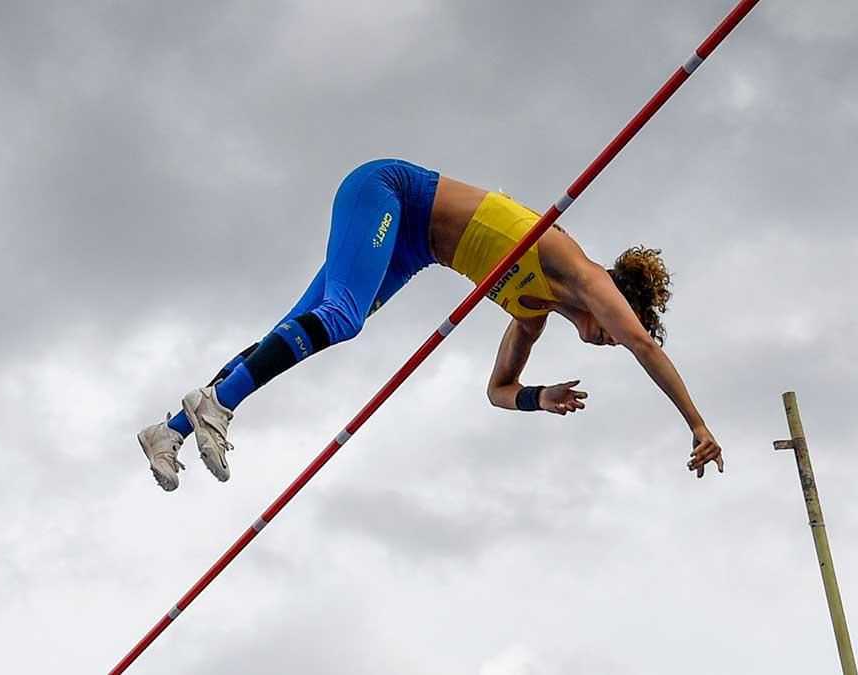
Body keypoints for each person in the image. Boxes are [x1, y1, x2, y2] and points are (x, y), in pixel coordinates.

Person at [138, 159, 724, 491]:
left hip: (412, 246)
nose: (611, 341)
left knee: (305, 324)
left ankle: (172, 432)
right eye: (617, 329)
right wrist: (695, 424)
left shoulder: (533, 316)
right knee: (341, 319)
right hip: (391, 194)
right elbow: (643, 344)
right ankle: (217, 405)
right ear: (616, 302)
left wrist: (539, 396)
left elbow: (497, 392)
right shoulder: (582, 272)